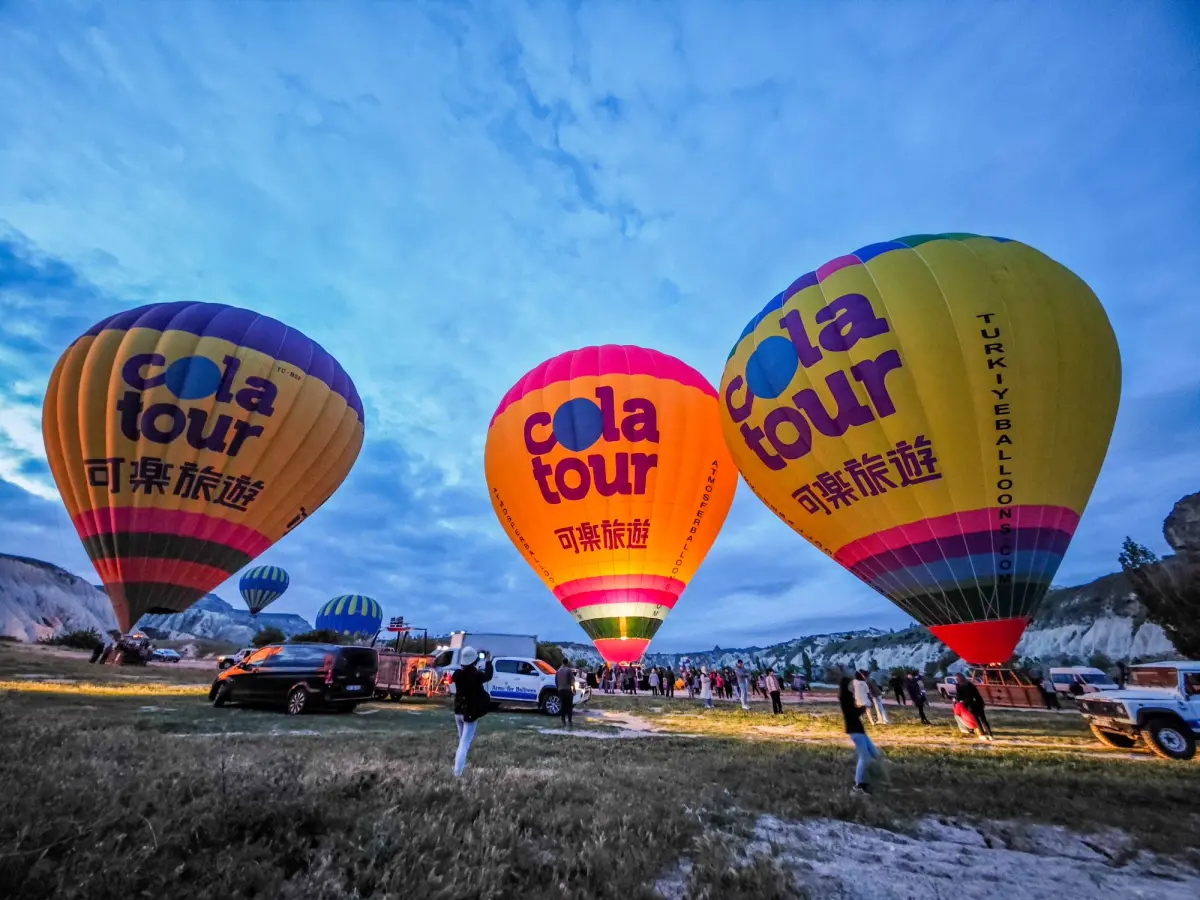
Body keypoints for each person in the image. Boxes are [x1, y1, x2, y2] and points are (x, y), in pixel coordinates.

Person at [451, 647, 494, 777]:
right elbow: (488, 676)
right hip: (469, 713)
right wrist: (488, 661)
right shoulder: (475, 675)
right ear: (473, 660)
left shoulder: (457, 674)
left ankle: (460, 766)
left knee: (461, 742)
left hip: (458, 711)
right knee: (464, 744)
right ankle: (457, 772)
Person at [839, 676, 881, 795]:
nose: (853, 686)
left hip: (859, 730)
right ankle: (858, 784)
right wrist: (863, 707)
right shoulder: (845, 700)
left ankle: (874, 777)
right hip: (855, 731)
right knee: (865, 757)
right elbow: (854, 713)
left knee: (875, 753)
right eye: (851, 685)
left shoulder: (847, 698)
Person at [955, 673, 992, 740]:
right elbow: (977, 693)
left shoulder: (959, 686)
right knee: (983, 719)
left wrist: (957, 699)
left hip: (970, 704)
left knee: (977, 720)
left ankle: (982, 734)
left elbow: (958, 697)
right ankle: (990, 734)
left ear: (958, 679)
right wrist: (982, 703)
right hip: (978, 703)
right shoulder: (970, 684)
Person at [555, 658, 575, 728]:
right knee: (569, 706)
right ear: (567, 663)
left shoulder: (558, 671)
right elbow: (572, 681)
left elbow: (556, 682)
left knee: (562, 706)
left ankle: (563, 720)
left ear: (562, 662)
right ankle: (569, 720)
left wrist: (558, 689)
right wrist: (574, 689)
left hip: (561, 690)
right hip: (567, 690)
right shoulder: (569, 670)